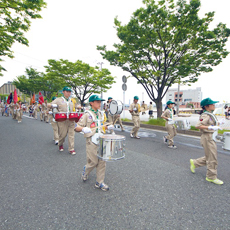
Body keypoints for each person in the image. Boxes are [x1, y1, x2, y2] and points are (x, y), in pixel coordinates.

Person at [74, 95, 113, 191]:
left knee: (102, 162)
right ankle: (85, 171)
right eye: (97, 102)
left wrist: (108, 127)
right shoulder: (87, 114)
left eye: (100, 102)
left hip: (101, 140)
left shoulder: (101, 114)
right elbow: (76, 127)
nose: (99, 103)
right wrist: (83, 128)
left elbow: (102, 126)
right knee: (93, 162)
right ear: (91, 103)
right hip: (91, 141)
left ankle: (99, 182)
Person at [190, 98, 224, 185]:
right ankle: (211, 177)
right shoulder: (205, 115)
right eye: (212, 104)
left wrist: (218, 123)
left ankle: (195, 162)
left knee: (210, 156)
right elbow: (198, 125)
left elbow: (210, 123)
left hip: (211, 137)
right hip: (207, 138)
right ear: (206, 106)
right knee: (212, 158)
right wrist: (210, 127)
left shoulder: (210, 114)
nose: (214, 105)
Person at [48, 86, 77, 155]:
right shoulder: (59, 99)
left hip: (71, 119)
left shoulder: (72, 100)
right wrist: (52, 105)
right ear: (63, 92)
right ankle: (60, 144)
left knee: (71, 134)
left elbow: (75, 107)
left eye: (69, 92)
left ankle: (71, 148)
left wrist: (79, 107)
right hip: (62, 119)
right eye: (67, 92)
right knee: (62, 135)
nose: (68, 93)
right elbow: (49, 104)